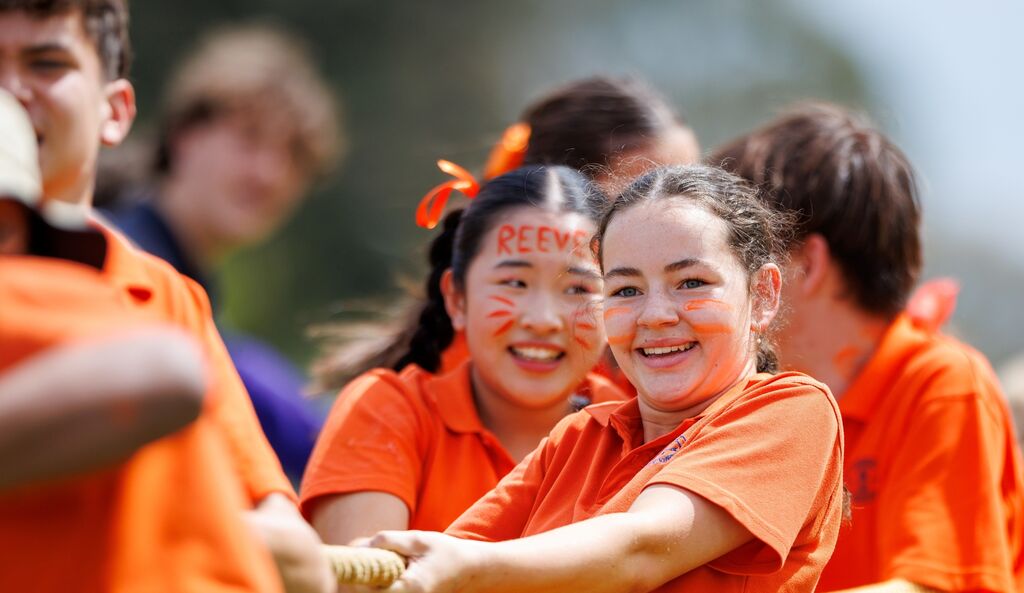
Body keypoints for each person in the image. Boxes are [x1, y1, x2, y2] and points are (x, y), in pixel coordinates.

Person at [349, 165, 845, 593]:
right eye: (626, 289)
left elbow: (641, 548)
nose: (654, 315)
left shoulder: (792, 411)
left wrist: (466, 569)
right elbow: (442, 558)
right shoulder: (577, 437)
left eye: (691, 283)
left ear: (763, 295)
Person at [0, 2, 333, 591]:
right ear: (182, 136)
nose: (9, 90)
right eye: (249, 139)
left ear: (116, 112)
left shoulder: (172, 298)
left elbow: (295, 545)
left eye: (46, 63)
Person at [712, 102, 1024, 593]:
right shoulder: (747, 400)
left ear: (805, 265)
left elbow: (933, 587)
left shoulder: (940, 383)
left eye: (735, 254)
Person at [301, 164, 626, 543]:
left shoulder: (634, 430)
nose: (543, 320)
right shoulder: (387, 409)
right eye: (515, 283)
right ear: (457, 298)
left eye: (578, 289)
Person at [315, 75, 697, 391]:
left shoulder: (642, 365)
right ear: (558, 196)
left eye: (687, 193)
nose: (671, 219)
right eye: (634, 198)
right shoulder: (483, 376)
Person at [102, 23, 342, 483]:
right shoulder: (118, 252)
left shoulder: (186, 279)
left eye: (293, 155)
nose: (269, 173)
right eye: (249, 138)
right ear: (184, 135)